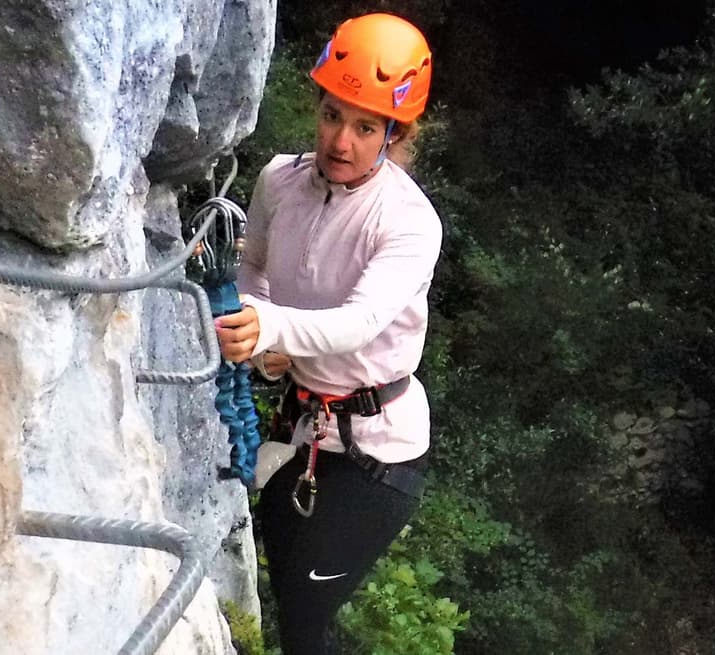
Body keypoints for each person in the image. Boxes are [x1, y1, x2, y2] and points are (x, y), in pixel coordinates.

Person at [211, 12, 442, 654]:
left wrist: (269, 326)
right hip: (302, 425)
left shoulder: (408, 222)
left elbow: (359, 323)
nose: (341, 140)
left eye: (366, 127)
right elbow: (253, 268)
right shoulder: (279, 181)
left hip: (377, 451)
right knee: (289, 596)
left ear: (394, 132)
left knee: (306, 614)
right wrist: (263, 338)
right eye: (332, 115)